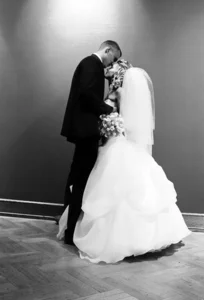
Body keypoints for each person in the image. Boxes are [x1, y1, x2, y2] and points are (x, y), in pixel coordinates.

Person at [58, 59, 191, 263]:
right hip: (122, 143)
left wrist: (109, 122)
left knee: (110, 188)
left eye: (112, 69)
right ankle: (140, 238)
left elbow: (114, 114)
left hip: (115, 143)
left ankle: (114, 240)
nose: (107, 71)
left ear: (120, 74)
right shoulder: (124, 93)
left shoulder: (118, 93)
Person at [60, 40, 122, 245]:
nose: (108, 65)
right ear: (107, 50)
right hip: (86, 131)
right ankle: (71, 231)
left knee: (77, 176)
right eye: (111, 59)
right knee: (81, 180)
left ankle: (68, 223)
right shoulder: (91, 64)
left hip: (84, 131)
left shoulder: (90, 64)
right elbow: (87, 94)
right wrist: (108, 110)